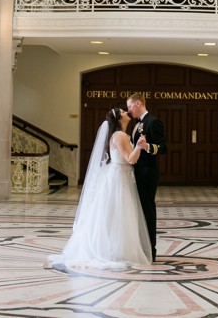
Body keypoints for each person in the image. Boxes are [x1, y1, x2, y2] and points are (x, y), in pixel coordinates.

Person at [49, 107, 152, 270]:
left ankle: (115, 249)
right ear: (119, 119)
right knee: (119, 214)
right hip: (119, 178)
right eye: (123, 112)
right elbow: (131, 159)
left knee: (114, 214)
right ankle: (115, 251)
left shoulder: (118, 135)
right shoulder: (120, 136)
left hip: (119, 176)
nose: (126, 113)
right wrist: (139, 146)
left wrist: (138, 147)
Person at [126, 92, 166, 262]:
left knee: (147, 210)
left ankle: (151, 250)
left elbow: (163, 147)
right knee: (139, 211)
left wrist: (148, 146)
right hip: (139, 171)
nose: (128, 110)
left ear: (138, 103)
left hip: (148, 172)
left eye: (129, 106)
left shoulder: (153, 121)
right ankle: (142, 247)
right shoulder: (138, 124)